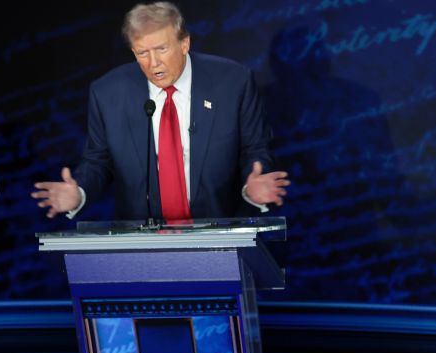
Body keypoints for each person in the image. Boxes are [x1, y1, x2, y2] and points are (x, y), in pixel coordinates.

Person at [31, 2, 289, 221]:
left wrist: (252, 186)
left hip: (220, 231)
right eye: (142, 53)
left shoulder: (233, 82)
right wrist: (80, 192)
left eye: (161, 49)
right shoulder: (107, 93)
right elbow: (98, 161)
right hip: (142, 242)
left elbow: (255, 149)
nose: (153, 63)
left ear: (184, 43)